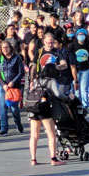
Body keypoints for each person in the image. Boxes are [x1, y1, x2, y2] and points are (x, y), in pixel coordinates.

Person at [28, 37, 67, 167]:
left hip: (33, 108)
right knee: (51, 134)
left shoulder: (37, 81)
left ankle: (33, 159)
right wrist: (67, 99)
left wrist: (31, 80)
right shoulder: (51, 81)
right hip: (44, 108)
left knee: (34, 135)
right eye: (48, 42)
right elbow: (57, 94)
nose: (50, 44)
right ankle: (53, 158)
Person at [0, 41, 25, 136]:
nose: (5, 49)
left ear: (10, 48)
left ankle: (18, 123)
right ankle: (4, 128)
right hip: (4, 87)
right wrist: (3, 84)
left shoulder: (17, 58)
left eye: (7, 47)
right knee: (3, 107)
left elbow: (21, 72)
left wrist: (13, 81)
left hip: (14, 86)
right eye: (3, 48)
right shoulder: (0, 59)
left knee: (14, 108)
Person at [70, 29, 89, 111]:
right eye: (79, 34)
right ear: (76, 36)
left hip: (86, 69)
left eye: (83, 34)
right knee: (77, 89)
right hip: (76, 70)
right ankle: (77, 105)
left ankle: (85, 106)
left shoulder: (88, 45)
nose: (81, 36)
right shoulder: (73, 45)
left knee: (84, 89)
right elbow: (69, 59)